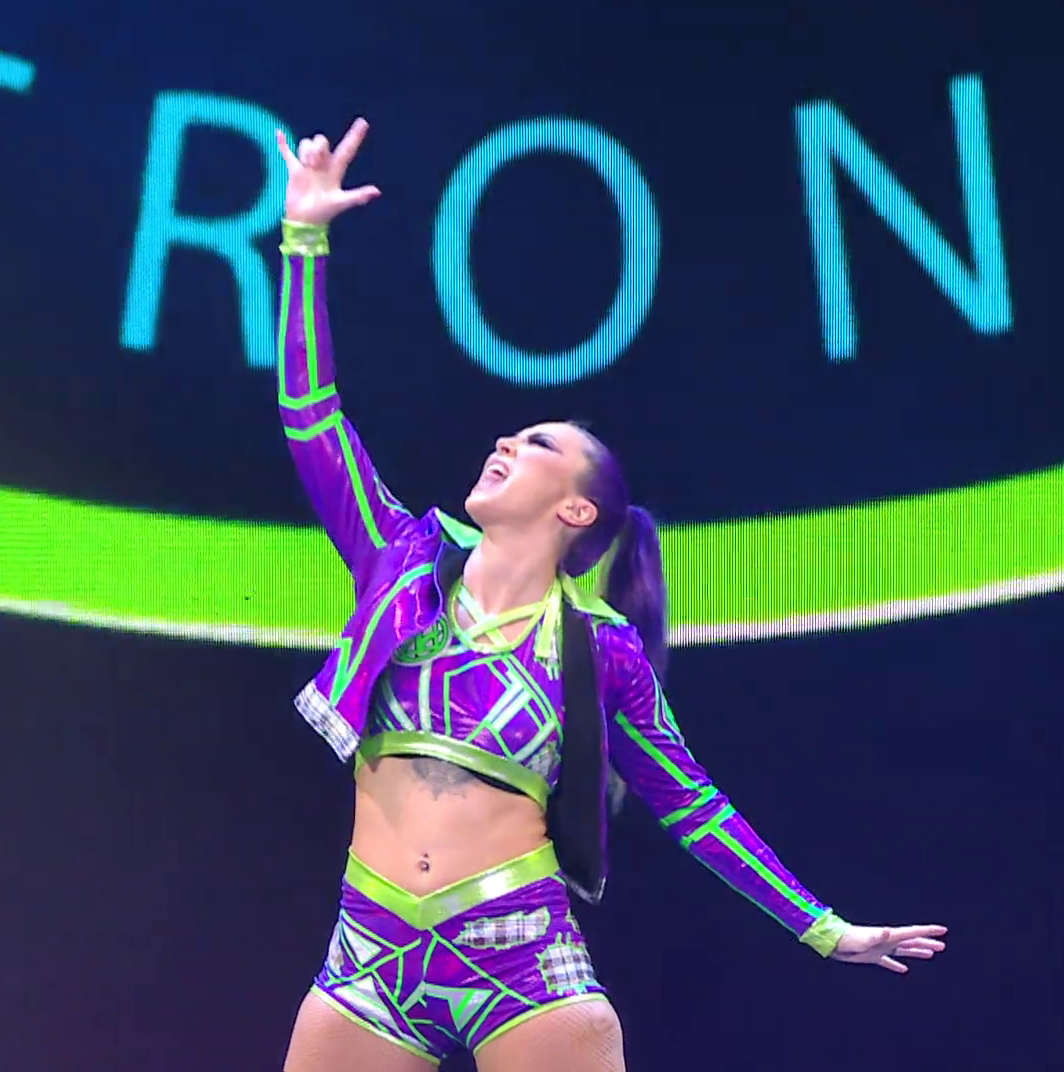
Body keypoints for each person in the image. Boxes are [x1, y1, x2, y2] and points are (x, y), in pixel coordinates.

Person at [274, 119, 947, 1072]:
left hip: (522, 967)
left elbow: (693, 805)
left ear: (578, 509)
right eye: (510, 436)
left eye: (537, 444)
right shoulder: (402, 559)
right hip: (368, 962)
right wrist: (304, 240)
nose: (505, 443)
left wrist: (823, 928)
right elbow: (312, 416)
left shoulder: (600, 648)